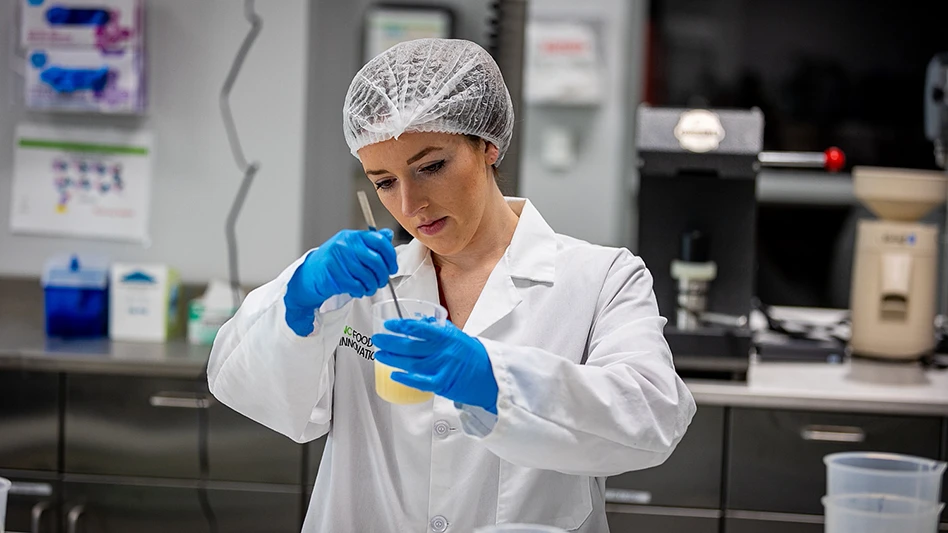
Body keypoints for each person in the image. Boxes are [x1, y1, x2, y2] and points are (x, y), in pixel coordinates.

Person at [207, 38, 696, 533]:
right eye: (384, 182)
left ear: (488, 145)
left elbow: (652, 419)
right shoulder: (360, 287)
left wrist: (493, 379)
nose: (410, 203)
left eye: (431, 167)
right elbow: (244, 387)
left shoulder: (601, 279)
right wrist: (298, 301)